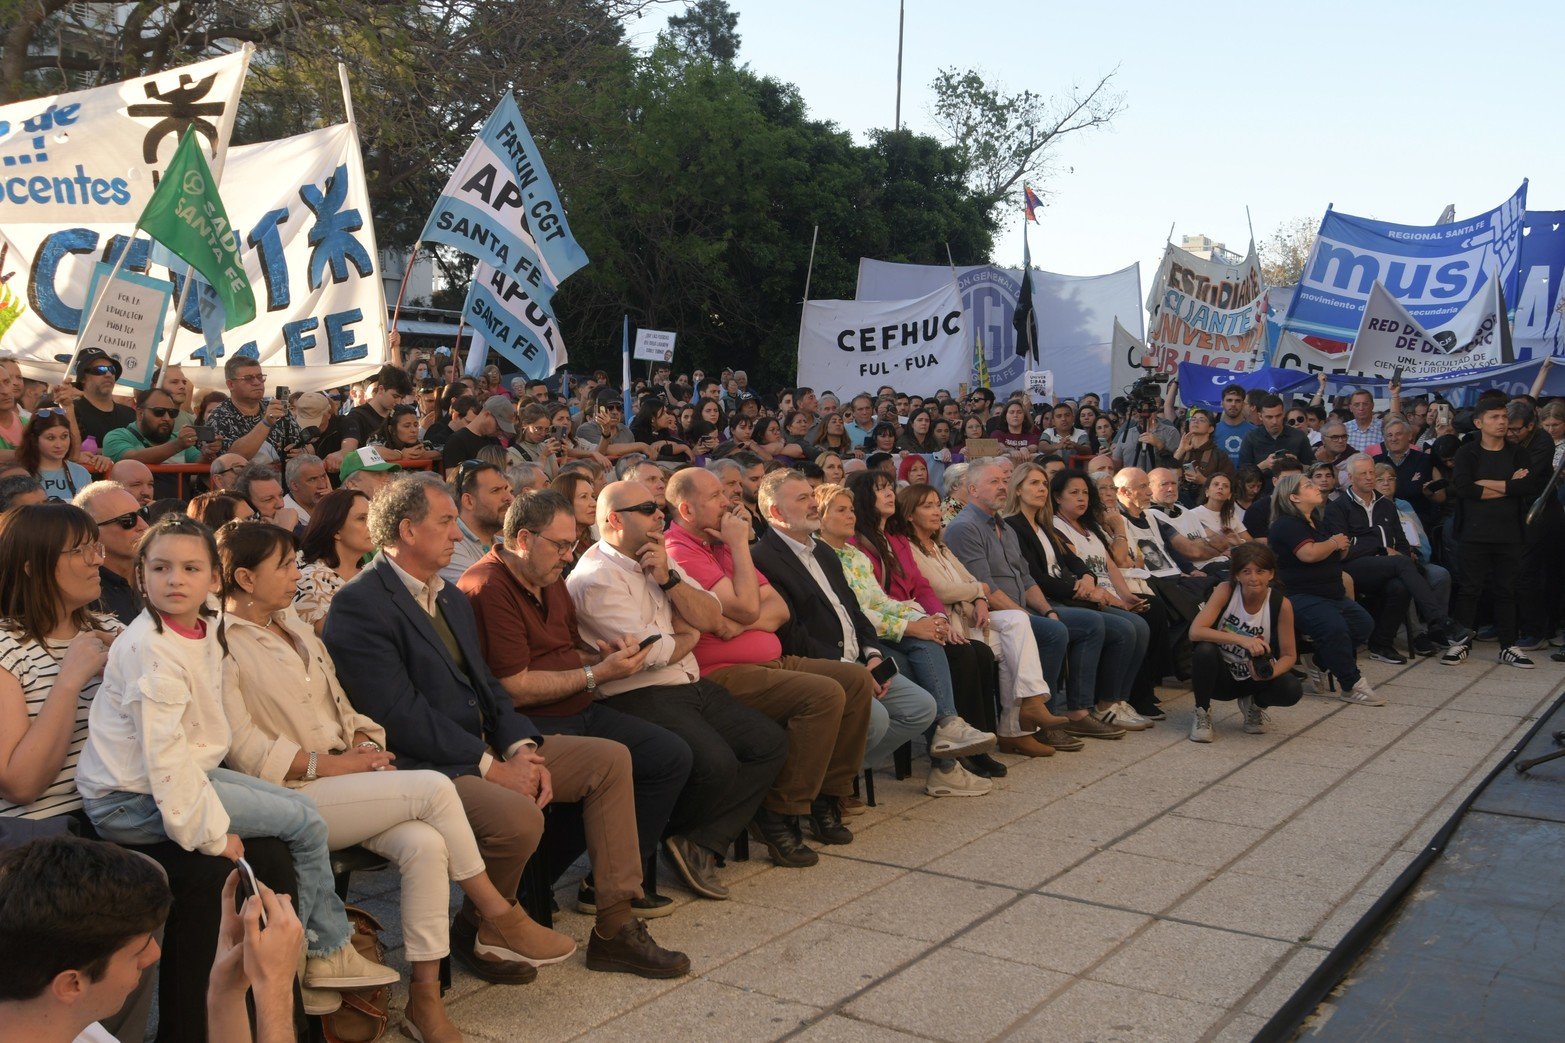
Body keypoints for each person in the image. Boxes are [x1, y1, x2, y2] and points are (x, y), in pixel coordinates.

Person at [322, 475, 689, 978]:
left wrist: (518, 744)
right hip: (422, 764)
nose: (458, 536)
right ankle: (482, 926)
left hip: (484, 744)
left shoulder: (446, 596)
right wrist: (490, 766)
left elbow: (491, 687)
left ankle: (615, 925)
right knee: (518, 816)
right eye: (446, 522)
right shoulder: (361, 604)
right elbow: (398, 715)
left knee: (610, 759)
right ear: (408, 530)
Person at [216, 521, 571, 1035]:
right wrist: (331, 764)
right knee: (433, 787)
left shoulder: (292, 625)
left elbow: (343, 705)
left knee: (427, 845)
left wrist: (365, 743)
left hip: (346, 780)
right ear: (246, 579)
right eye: (287, 565)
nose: (299, 573)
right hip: (289, 796)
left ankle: (425, 1001)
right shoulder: (222, 642)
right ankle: (498, 914)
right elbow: (244, 748)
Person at [75, 515, 401, 993]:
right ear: (140, 573)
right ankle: (324, 951)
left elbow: (241, 597)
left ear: (213, 578)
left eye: (191, 569)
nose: (175, 580)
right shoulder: (152, 651)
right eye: (160, 568)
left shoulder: (201, 618)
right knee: (304, 823)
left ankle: (316, 952)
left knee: (301, 810)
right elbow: (163, 760)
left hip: (182, 775)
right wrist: (210, 835)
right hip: (129, 798)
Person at [457, 488, 692, 918]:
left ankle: (595, 880)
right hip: (527, 727)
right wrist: (597, 673)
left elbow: (565, 651)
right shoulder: (488, 587)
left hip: (576, 706)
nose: (569, 556)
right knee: (609, 764)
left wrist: (603, 656)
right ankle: (564, 891)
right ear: (524, 539)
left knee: (668, 755)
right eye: (561, 545)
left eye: (574, 544)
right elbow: (516, 687)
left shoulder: (547, 579)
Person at [566, 481, 789, 898]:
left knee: (769, 743)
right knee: (715, 763)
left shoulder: (658, 558)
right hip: (640, 694)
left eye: (658, 509)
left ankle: (696, 840)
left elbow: (709, 615)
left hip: (688, 683)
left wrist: (669, 582)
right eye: (648, 509)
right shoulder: (595, 577)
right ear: (615, 519)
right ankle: (636, 857)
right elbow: (648, 654)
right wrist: (684, 629)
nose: (659, 516)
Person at [663, 467, 875, 864]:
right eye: (714, 497)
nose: (727, 503)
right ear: (687, 509)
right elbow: (748, 605)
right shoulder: (681, 550)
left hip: (770, 658)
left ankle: (828, 795)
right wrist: (740, 547)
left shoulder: (720, 543)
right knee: (824, 694)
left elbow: (777, 611)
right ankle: (781, 813)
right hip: (721, 671)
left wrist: (734, 620)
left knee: (856, 678)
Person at [0, 835, 301, 1043]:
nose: (154, 955)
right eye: (138, 951)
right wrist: (274, 990)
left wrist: (227, 992)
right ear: (71, 984)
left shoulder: (64, 1027)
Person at [748, 472, 939, 778]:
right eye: (802, 499)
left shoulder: (823, 551)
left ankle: (836, 775)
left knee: (922, 709)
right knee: (874, 719)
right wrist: (849, 669)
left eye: (812, 496)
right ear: (775, 512)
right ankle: (826, 786)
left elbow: (855, 610)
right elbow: (791, 634)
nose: (813, 504)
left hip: (859, 658)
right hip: (820, 665)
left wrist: (873, 654)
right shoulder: (762, 559)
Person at [818, 481, 997, 796]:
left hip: (881, 634)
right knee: (927, 661)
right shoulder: (825, 556)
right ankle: (945, 754)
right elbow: (856, 614)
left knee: (950, 649)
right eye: (841, 511)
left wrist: (928, 621)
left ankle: (948, 751)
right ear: (819, 517)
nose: (850, 516)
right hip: (854, 645)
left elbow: (885, 601)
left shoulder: (855, 556)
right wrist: (913, 627)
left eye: (850, 509)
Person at [948, 459, 1124, 744]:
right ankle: (1044, 716)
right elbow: (986, 589)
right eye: (994, 482)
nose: (1002, 487)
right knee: (1054, 632)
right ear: (972, 489)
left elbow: (1027, 579)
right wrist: (1028, 617)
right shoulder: (964, 528)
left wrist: (1047, 610)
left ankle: (1074, 710)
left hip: (1020, 609)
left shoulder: (1003, 527)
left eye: (1003, 481)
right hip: (991, 614)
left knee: (1082, 625)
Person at [897, 482, 1064, 757]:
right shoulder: (910, 548)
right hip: (952, 624)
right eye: (927, 506)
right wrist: (980, 593)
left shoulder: (939, 545)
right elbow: (941, 589)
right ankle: (1020, 722)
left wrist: (980, 599)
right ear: (909, 515)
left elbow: (970, 579)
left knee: (1017, 632)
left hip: (970, 617)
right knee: (1015, 639)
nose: (937, 511)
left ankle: (1023, 718)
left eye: (937, 504)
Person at [1323, 453, 1459, 662]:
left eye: (1371, 472)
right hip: (1353, 568)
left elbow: (1402, 542)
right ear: (1350, 478)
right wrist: (1381, 548)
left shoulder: (1386, 505)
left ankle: (1381, 644)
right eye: (1363, 474)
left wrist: (1389, 551)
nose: (1369, 477)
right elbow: (1344, 549)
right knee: (1400, 562)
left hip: (1389, 566)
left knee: (1400, 586)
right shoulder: (1338, 508)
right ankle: (1440, 620)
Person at [1050, 470, 1161, 722]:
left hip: (1109, 594)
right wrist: (1116, 602)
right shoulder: (1056, 527)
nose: (1081, 499)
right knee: (1128, 628)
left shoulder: (1089, 526)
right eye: (1074, 493)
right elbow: (1076, 574)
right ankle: (1105, 703)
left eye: (1085, 493)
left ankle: (1120, 699)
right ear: (1057, 497)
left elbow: (1110, 565)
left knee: (1142, 624)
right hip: (1086, 598)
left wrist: (1126, 597)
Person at [1266, 473, 1381, 704]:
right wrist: (1334, 543)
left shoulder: (1317, 521)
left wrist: (1337, 545)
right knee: (1334, 629)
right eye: (1309, 485)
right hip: (1300, 595)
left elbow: (1340, 550)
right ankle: (1351, 685)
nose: (1317, 486)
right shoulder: (1287, 523)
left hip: (1331, 593)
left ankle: (1320, 659)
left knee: (1363, 625)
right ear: (1294, 497)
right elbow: (1308, 554)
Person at [1443, 399, 1534, 668]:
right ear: (1479, 423)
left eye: (1504, 416)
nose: (1503, 421)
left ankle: (1508, 644)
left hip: (1510, 532)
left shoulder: (1517, 453)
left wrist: (1486, 484)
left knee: (1507, 589)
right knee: (1470, 589)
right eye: (1495, 417)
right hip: (1474, 532)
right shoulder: (1467, 453)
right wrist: (1509, 485)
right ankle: (1460, 643)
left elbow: (1527, 486)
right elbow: (1463, 487)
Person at [1186, 542, 1303, 743]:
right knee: (1204, 649)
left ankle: (1255, 705)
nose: (1254, 578)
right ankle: (1202, 712)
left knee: (1292, 689)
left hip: (1253, 675)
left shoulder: (1281, 604)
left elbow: (1289, 655)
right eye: (1246, 571)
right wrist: (1242, 640)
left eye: (1260, 571)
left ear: (1271, 574)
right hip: (1219, 674)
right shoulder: (1226, 590)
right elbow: (1195, 632)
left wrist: (1271, 673)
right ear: (1237, 575)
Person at [101, 387, 220, 501]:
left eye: (172, 413)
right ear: (140, 414)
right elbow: (132, 459)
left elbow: (199, 462)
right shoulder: (117, 436)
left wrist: (208, 452)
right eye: (159, 412)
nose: (167, 418)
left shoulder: (178, 440)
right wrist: (177, 445)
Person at [294, 488, 373, 634]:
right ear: (336, 530)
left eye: (373, 517)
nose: (373, 524)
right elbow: (343, 639)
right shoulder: (309, 581)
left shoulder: (372, 572)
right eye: (362, 518)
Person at [71, 482, 147, 625]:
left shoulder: (160, 575)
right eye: (128, 520)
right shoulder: (84, 594)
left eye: (143, 514)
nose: (143, 526)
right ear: (92, 532)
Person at [206, 356, 304, 461]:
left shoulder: (277, 409)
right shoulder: (219, 416)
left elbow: (308, 445)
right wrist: (266, 423)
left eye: (260, 377)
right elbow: (234, 457)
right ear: (231, 384)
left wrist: (301, 452)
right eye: (248, 378)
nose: (257, 382)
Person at [442, 459, 514, 583]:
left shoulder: (506, 545)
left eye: (506, 489)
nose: (508, 498)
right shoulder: (450, 548)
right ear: (469, 501)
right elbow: (484, 592)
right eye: (495, 490)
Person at [1238, 394, 1312, 492]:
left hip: (1294, 492)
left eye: (1278, 416)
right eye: (1269, 417)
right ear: (1260, 416)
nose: (1274, 421)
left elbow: (1312, 470)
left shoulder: (1299, 436)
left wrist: (1298, 465)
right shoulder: (1251, 438)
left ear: (1284, 413)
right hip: (1261, 494)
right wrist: (1264, 465)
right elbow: (1242, 475)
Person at [340, 364, 415, 459]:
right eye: (395, 396)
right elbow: (349, 452)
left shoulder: (398, 416)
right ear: (381, 389)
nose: (398, 402)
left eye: (402, 398)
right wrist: (399, 454)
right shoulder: (357, 416)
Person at [65, 348, 136, 448]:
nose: (108, 374)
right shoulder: (71, 411)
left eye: (112, 370)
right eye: (100, 370)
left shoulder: (130, 414)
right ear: (83, 378)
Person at [19, 408, 91, 501]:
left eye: (64, 436)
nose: (59, 445)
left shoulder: (81, 474)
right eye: (50, 438)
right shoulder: (21, 474)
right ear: (34, 439)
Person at [439, 396, 506, 472]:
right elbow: (452, 479)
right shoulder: (456, 441)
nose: (500, 431)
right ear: (487, 415)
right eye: (497, 426)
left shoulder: (493, 439)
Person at [233, 465, 299, 533]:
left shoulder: (300, 531)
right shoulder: (237, 536)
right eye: (268, 499)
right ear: (246, 505)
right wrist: (286, 528)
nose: (281, 504)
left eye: (280, 495)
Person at [282, 454, 331, 527]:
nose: (322, 485)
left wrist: (333, 504)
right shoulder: (283, 514)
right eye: (312, 479)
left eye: (323, 477)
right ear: (294, 485)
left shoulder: (329, 505)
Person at [1213, 384, 1256, 467]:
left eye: (1238, 401)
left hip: (1246, 479)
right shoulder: (1212, 431)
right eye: (1229, 400)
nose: (1233, 404)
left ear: (1243, 404)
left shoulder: (1255, 432)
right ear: (1222, 403)